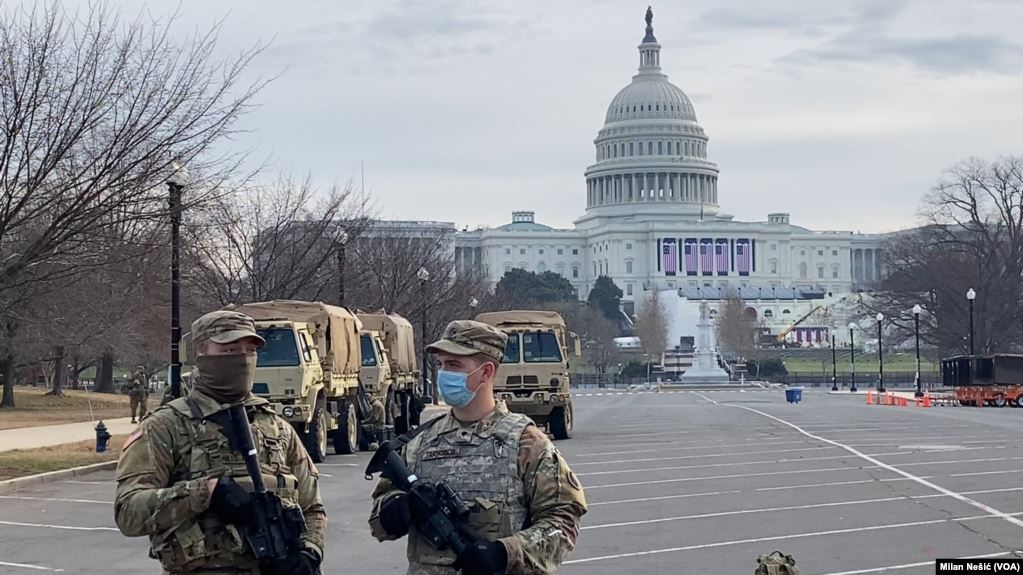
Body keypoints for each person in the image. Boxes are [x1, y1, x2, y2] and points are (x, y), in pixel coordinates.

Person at [114, 310, 326, 575]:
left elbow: (313, 507)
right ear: (202, 355)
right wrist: (205, 493)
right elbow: (129, 512)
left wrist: (310, 550)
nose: (243, 359)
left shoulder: (276, 427)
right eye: (230, 350)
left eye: (250, 350)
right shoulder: (165, 426)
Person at [368, 320, 587, 575]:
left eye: (454, 365)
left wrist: (506, 552)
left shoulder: (526, 444)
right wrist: (394, 509)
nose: (444, 374)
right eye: (441, 364)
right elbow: (378, 520)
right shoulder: (419, 443)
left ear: (486, 372)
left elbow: (563, 521)